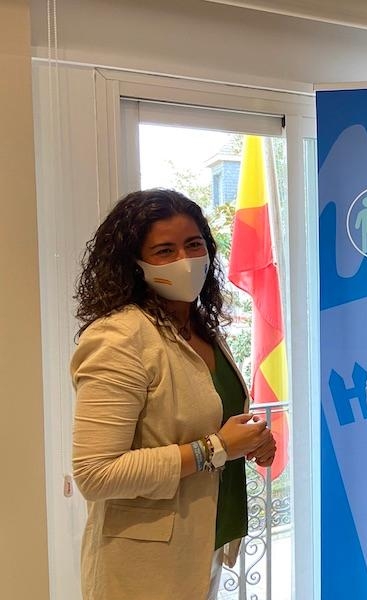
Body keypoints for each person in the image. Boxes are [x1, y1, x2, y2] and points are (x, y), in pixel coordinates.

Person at [71, 189, 277, 600]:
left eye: (194, 244)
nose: (185, 259)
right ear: (134, 264)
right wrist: (216, 448)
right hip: (144, 568)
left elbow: (208, 418)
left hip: (205, 544)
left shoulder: (199, 328)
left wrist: (251, 439)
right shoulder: (119, 338)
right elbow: (95, 473)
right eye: (165, 250)